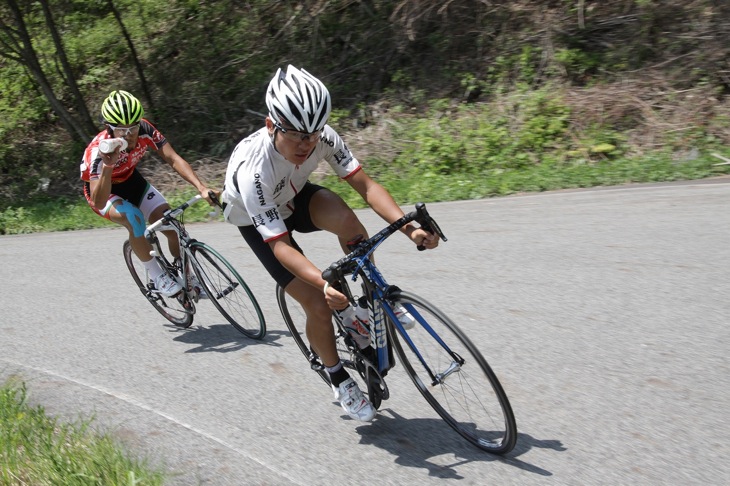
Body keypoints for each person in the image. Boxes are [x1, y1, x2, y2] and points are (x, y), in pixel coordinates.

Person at [221, 66, 438, 422]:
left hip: (291, 195)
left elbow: (366, 187)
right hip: (256, 217)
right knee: (318, 304)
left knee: (348, 220)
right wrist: (324, 284)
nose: (307, 145)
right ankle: (338, 377)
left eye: (313, 134)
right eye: (296, 136)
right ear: (271, 125)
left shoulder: (322, 137)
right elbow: (280, 246)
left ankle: (371, 296)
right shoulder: (253, 170)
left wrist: (409, 229)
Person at [80, 90, 214, 297]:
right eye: (122, 130)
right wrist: (108, 165)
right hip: (103, 192)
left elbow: (173, 159)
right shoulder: (98, 152)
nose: (129, 134)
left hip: (131, 181)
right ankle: (156, 275)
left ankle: (186, 273)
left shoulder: (145, 129)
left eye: (133, 127)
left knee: (173, 226)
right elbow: (98, 201)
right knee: (134, 218)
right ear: (109, 128)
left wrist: (201, 187)